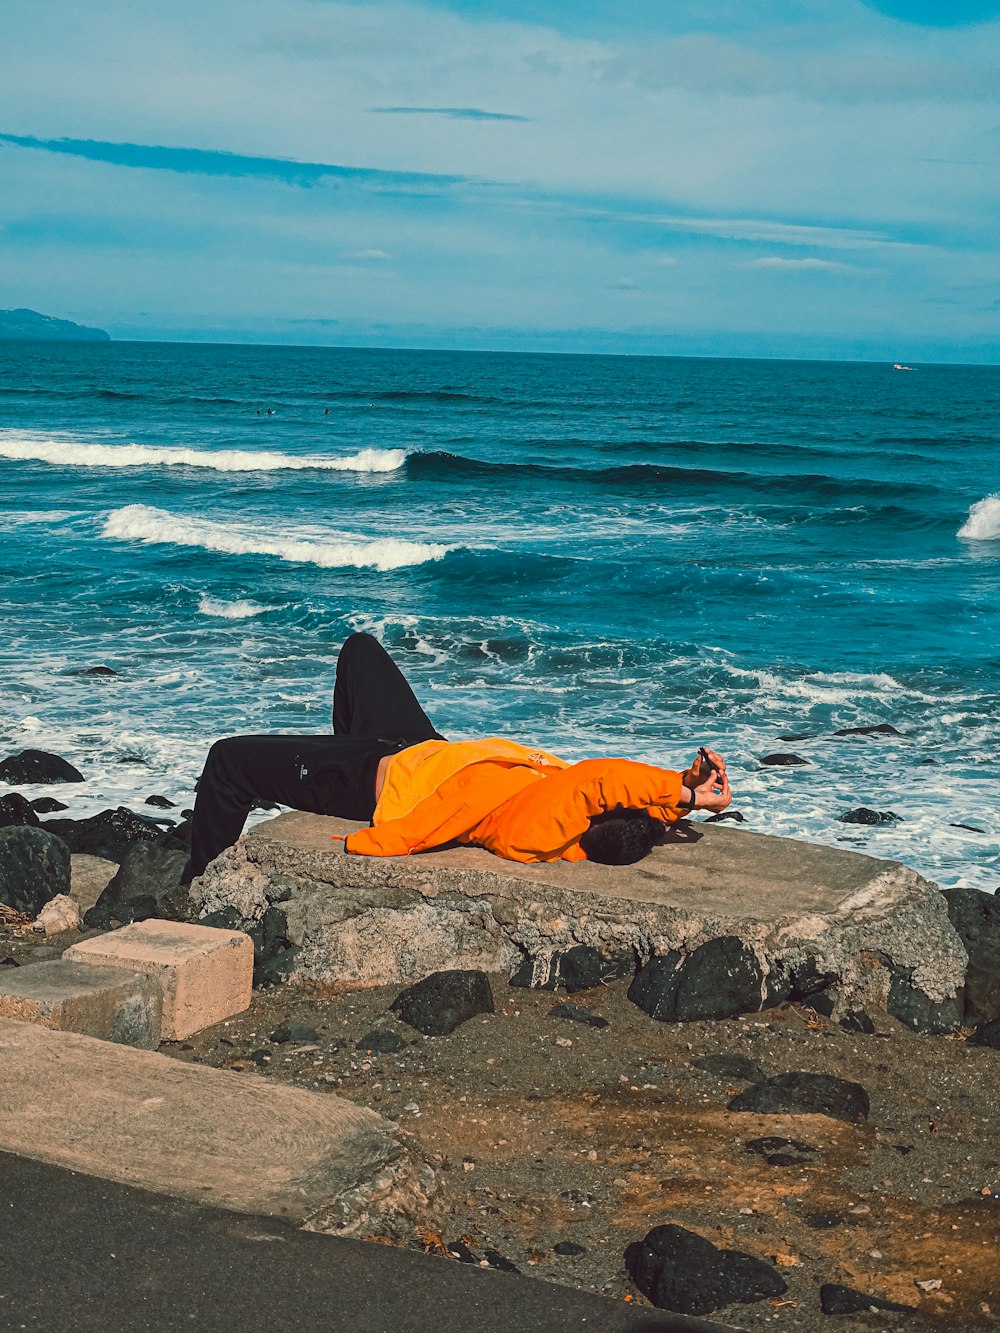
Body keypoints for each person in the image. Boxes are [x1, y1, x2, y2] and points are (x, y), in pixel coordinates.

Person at [186, 632, 731, 879]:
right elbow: (634, 802)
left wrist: (677, 790)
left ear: (600, 814)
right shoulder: (588, 813)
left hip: (372, 782)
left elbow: (600, 779)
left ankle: (202, 878)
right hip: (418, 750)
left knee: (227, 759)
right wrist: (693, 794)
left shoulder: (547, 828)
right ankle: (329, 759)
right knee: (360, 649)